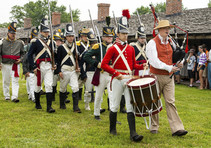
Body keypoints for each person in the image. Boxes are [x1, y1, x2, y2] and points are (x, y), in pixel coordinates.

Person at [101, 10, 146, 142]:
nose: (125, 36)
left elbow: (132, 66)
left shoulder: (131, 48)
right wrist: (116, 73)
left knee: (130, 105)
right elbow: (104, 65)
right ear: (118, 34)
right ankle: (112, 129)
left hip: (129, 79)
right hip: (116, 79)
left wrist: (142, 66)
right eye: (123, 33)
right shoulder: (112, 48)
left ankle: (133, 134)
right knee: (114, 105)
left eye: (126, 33)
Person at [146, 20, 188, 136]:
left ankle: (177, 128)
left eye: (168, 28)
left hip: (169, 77)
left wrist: (180, 63)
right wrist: (169, 68)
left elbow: (179, 54)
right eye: (165, 28)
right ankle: (154, 126)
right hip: (155, 76)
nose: (167, 30)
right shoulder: (152, 43)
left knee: (170, 102)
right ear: (159, 30)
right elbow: (154, 61)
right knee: (154, 101)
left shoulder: (171, 41)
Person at [84, 17, 114, 120]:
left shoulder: (114, 47)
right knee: (99, 94)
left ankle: (112, 114)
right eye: (107, 36)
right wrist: (96, 64)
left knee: (112, 95)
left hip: (111, 73)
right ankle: (96, 113)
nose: (109, 38)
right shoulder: (98, 46)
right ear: (103, 37)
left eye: (110, 36)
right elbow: (86, 56)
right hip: (102, 73)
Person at [28, 17, 56, 113]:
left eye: (47, 32)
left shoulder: (52, 42)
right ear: (40, 32)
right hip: (39, 67)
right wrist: (34, 67)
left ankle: (49, 107)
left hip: (48, 66)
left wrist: (54, 64)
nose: (46, 33)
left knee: (49, 85)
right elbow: (29, 55)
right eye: (44, 32)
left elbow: (54, 54)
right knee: (37, 86)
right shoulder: (36, 42)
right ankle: (37, 104)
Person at [56, 24, 81, 113]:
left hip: (73, 70)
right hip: (64, 70)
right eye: (69, 36)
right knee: (63, 88)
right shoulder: (61, 48)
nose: (71, 38)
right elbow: (58, 61)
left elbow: (78, 59)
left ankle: (76, 107)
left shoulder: (76, 46)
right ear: (66, 37)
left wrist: (79, 67)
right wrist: (59, 71)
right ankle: (62, 104)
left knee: (75, 88)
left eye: (72, 36)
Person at [0, 22, 25, 102]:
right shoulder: (2, 42)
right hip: (5, 64)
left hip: (15, 64)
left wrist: (21, 59)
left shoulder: (20, 43)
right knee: (6, 80)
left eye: (14, 33)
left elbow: (23, 54)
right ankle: (7, 95)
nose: (13, 35)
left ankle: (14, 96)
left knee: (15, 81)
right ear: (8, 33)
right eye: (11, 33)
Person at [81, 29, 98, 110]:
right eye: (92, 43)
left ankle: (98, 106)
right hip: (89, 73)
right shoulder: (86, 53)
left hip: (97, 73)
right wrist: (83, 74)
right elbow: (81, 65)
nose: (94, 44)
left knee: (98, 91)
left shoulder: (99, 53)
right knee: (88, 90)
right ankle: (87, 104)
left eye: (95, 42)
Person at [22, 28, 39, 102]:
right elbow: (24, 61)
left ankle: (31, 95)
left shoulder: (39, 46)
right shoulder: (28, 47)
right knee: (31, 83)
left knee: (34, 84)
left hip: (37, 69)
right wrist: (26, 71)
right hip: (30, 69)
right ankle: (33, 97)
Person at [76, 28, 90, 100]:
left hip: (88, 65)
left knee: (88, 81)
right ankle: (78, 97)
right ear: (81, 36)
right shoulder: (77, 44)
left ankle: (89, 96)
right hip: (80, 64)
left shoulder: (90, 44)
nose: (86, 38)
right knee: (79, 82)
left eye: (87, 36)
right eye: (84, 36)